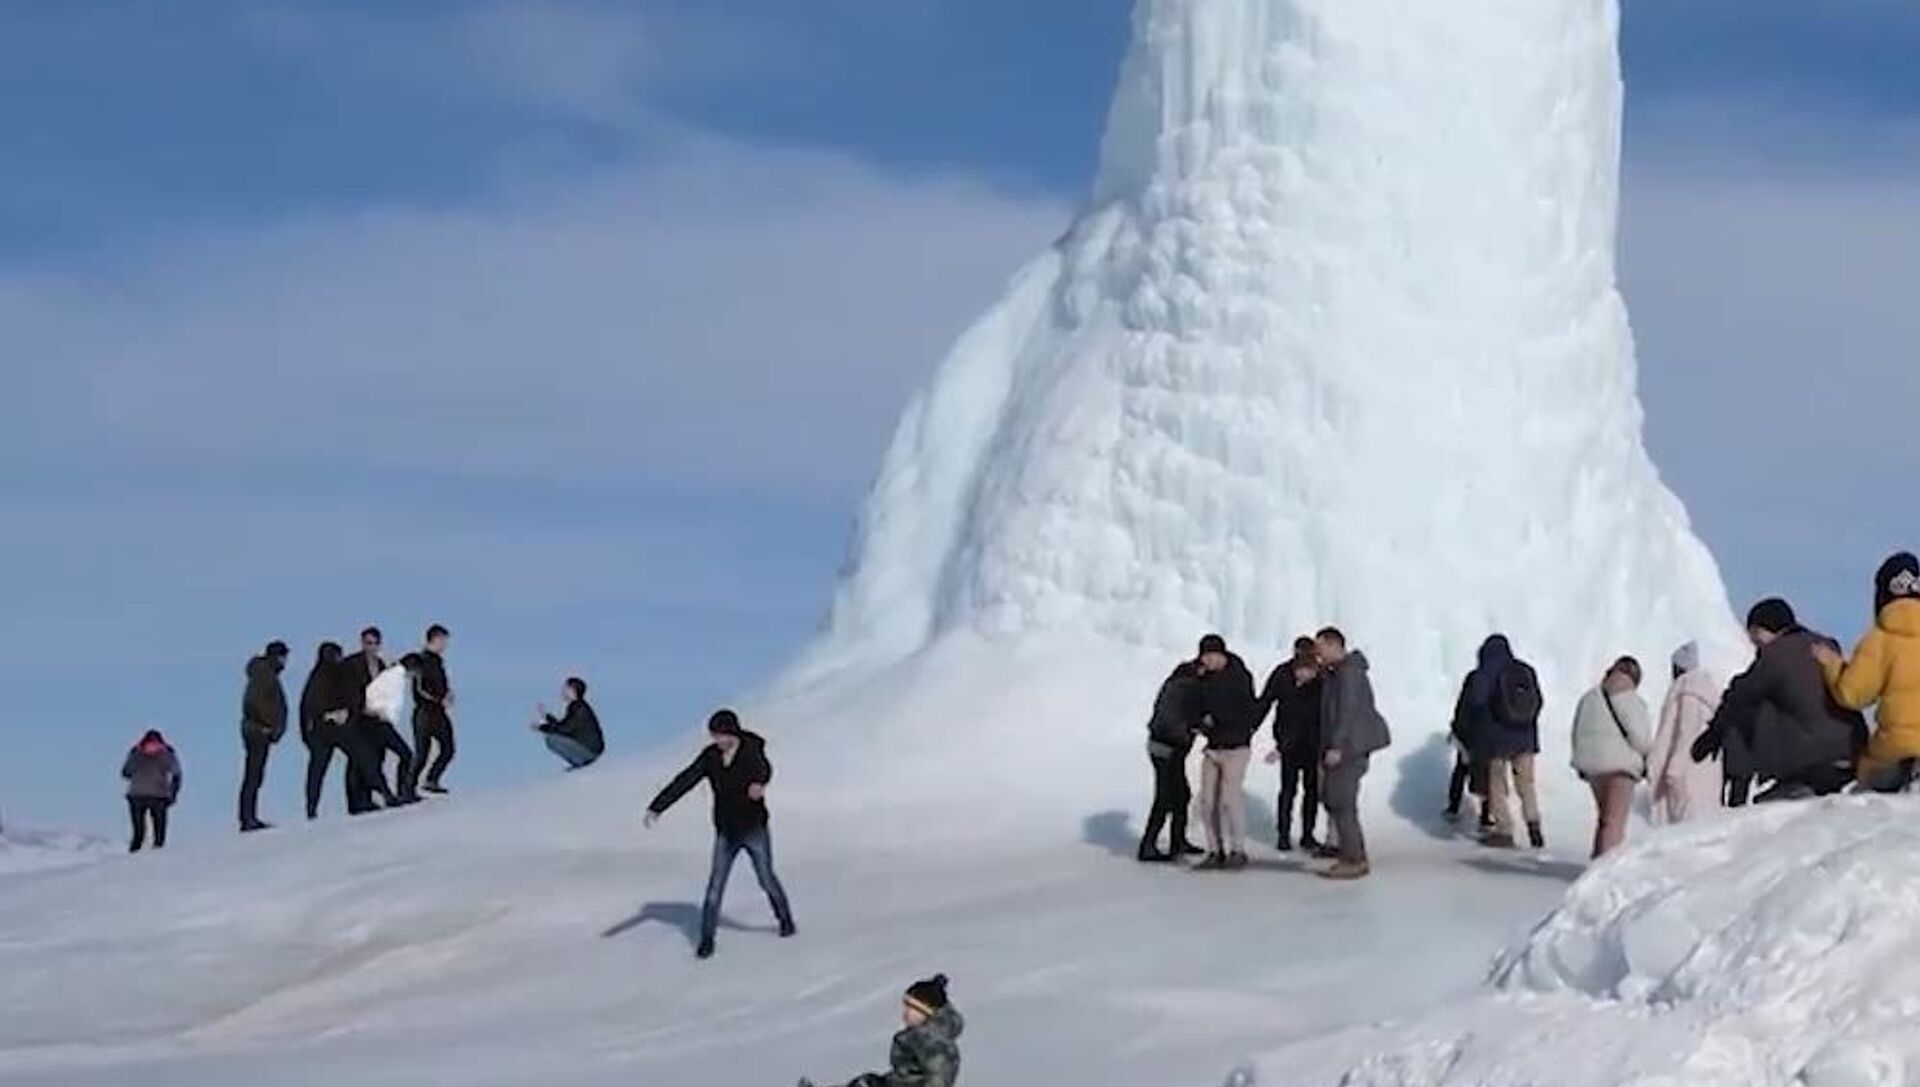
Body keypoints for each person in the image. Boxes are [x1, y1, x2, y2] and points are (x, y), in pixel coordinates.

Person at [645, 710, 796, 959]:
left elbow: (763, 768)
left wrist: (759, 783)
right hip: (726, 831)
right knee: (715, 885)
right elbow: (685, 780)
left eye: (722, 736)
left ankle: (785, 920)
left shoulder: (750, 750)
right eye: (715, 736)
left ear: (733, 733)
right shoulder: (711, 757)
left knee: (765, 877)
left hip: (754, 829)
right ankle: (706, 940)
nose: (718, 741)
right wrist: (657, 807)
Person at [1691, 599, 1865, 802]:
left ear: (1762, 629)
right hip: (1854, 751)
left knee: (1755, 706)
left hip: (1813, 762)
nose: (1753, 643)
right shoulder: (1826, 645)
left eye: (1754, 635)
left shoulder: (1775, 656)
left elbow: (1740, 695)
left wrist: (1713, 734)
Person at [1813, 552, 1920, 793]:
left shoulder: (1879, 640)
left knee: (1861, 787)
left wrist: (1832, 665)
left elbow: (1853, 695)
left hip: (1897, 752)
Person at [1316, 628, 1392, 880]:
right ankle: (1350, 854)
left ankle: (1354, 859)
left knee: (1341, 800)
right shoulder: (1337, 672)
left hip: (1351, 747)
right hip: (1347, 745)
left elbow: (1346, 711)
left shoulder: (1349, 673)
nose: (1318, 654)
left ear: (1333, 645)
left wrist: (1337, 745)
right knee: (1334, 798)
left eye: (1320, 647)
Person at [1458, 635, 1545, 850]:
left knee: (1496, 784)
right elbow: (1538, 701)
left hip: (1495, 740)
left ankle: (1504, 830)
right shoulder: (1524, 670)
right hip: (1526, 737)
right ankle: (1534, 825)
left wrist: (1468, 731)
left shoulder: (1484, 673)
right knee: (1526, 784)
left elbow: (1475, 701)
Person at [799, 974, 964, 1087]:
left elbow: (940, 1077)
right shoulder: (922, 1035)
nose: (906, 1013)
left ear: (927, 1012)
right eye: (906, 1006)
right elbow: (908, 1074)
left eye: (913, 1009)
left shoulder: (933, 1041)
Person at [1571, 657, 1652, 859]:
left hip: (1593, 767)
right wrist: (1648, 757)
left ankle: (1597, 860)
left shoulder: (1589, 697)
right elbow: (1641, 738)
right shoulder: (1632, 700)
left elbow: (1577, 730)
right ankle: (1605, 866)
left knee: (1604, 819)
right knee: (1614, 822)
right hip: (1621, 768)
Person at [1192, 634, 1260, 870]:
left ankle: (1237, 850)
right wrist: (1199, 723)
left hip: (1236, 747)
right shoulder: (1202, 678)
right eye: (1205, 656)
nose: (1208, 661)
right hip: (1213, 747)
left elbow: (1246, 710)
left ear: (1222, 655)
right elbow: (1195, 705)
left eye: (1212, 656)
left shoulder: (1239, 676)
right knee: (1207, 801)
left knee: (1230, 800)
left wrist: (1217, 718)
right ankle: (1215, 850)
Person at [1259, 637, 1325, 853]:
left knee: (1309, 791)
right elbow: (1266, 701)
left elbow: (1328, 713)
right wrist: (1249, 728)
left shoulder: (1321, 678)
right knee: (1290, 790)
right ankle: (1284, 834)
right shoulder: (1283, 674)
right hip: (1289, 744)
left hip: (1312, 744)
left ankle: (1306, 834)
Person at [1648, 643, 1724, 823]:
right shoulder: (1707, 690)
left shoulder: (1688, 690)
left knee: (1687, 825)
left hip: (1686, 771)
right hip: (1704, 770)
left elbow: (1687, 731)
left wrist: (1675, 767)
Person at [1138, 657, 1204, 862]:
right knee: (1166, 796)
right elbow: (1180, 718)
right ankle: (1149, 846)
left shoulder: (1176, 682)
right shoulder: (1188, 686)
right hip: (1168, 747)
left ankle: (1177, 841)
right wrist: (1194, 728)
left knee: (1180, 794)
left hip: (1163, 745)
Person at [342, 626, 413, 812]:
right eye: (367, 643)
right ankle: (359, 802)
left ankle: (404, 792)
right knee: (361, 762)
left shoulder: (381, 664)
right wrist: (360, 707)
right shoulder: (351, 663)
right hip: (359, 719)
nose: (370, 647)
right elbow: (348, 691)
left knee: (403, 753)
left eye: (374, 643)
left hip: (379, 719)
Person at [238, 640, 290, 833]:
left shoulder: (265, 673)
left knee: (255, 775)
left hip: (257, 730)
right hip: (257, 731)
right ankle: (247, 818)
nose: (285, 661)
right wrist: (266, 725)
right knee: (253, 775)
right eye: (283, 657)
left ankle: (249, 816)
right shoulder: (264, 674)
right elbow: (254, 701)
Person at [410, 624, 456, 795]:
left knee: (448, 748)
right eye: (443, 641)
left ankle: (432, 779)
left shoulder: (438, 661)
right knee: (422, 753)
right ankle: (408, 788)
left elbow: (442, 683)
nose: (445, 645)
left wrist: (448, 693)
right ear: (434, 639)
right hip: (425, 712)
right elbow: (420, 687)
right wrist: (439, 698)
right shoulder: (421, 660)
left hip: (439, 712)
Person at [122, 729, 181, 852]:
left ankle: (133, 857)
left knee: (138, 834)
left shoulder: (135, 752)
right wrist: (173, 794)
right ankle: (157, 856)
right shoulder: (167, 753)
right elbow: (177, 774)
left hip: (137, 795)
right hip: (159, 795)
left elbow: (125, 773)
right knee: (159, 835)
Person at [534, 676, 605, 770]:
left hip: (591, 751)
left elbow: (564, 728)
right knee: (555, 735)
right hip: (591, 748)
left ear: (572, 691)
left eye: (565, 688)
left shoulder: (579, 708)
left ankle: (580, 761)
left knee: (551, 739)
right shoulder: (578, 706)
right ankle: (579, 760)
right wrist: (546, 716)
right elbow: (564, 725)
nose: (562, 691)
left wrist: (541, 727)